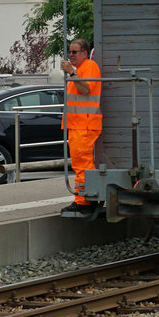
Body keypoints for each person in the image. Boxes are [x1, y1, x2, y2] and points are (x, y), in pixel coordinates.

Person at [60, 38, 102, 214]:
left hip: (85, 125)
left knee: (82, 164)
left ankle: (83, 201)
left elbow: (85, 89)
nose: (70, 55)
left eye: (74, 52)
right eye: (69, 52)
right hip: (78, 125)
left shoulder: (89, 66)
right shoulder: (81, 69)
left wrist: (71, 73)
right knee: (81, 163)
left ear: (84, 53)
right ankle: (87, 198)